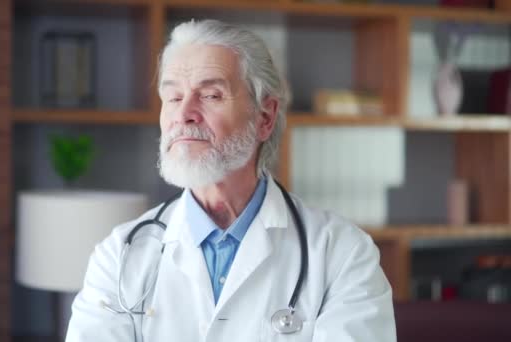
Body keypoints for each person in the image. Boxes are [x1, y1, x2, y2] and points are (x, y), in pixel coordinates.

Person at [65, 19, 396, 342]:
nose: (184, 114)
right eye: (174, 97)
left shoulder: (342, 254)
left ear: (264, 118)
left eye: (210, 95)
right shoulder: (119, 256)